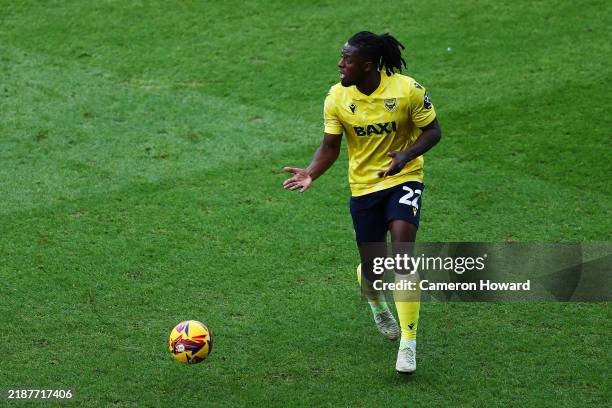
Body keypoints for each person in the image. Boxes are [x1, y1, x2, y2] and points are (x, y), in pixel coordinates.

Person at [282, 31, 442, 374]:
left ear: (367, 66)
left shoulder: (407, 90)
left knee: (402, 253)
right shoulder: (337, 98)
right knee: (374, 269)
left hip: (403, 178)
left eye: (347, 59)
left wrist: (406, 156)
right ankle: (375, 301)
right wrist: (311, 172)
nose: (340, 64)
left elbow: (433, 131)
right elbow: (330, 147)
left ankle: (408, 345)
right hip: (364, 189)